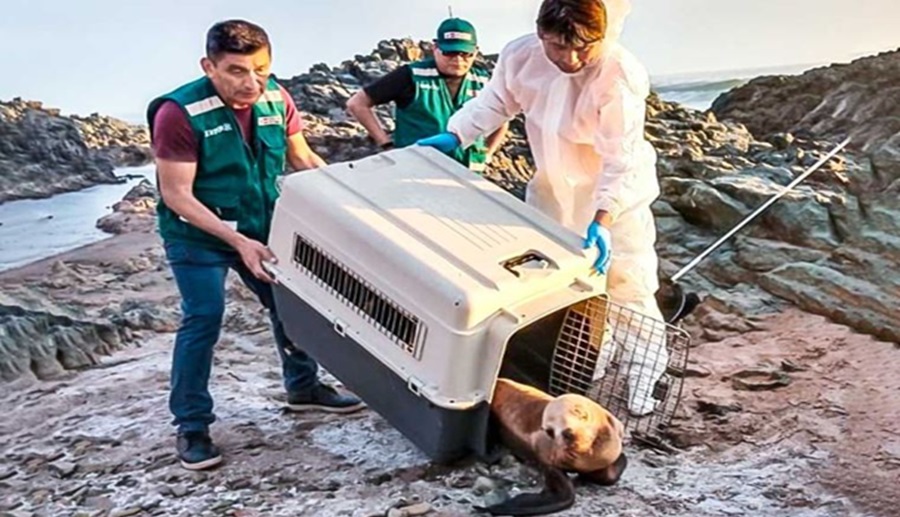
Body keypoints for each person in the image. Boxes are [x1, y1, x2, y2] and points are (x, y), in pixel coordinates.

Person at [418, 0, 667, 417]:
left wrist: (604, 218)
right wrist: (455, 134)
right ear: (540, 34)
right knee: (564, 284)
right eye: (556, 46)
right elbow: (495, 102)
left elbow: (620, 159)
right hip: (551, 189)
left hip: (615, 197)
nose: (569, 59)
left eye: (583, 47)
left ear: (601, 36)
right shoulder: (521, 56)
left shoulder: (618, 73)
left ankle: (646, 374)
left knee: (629, 282)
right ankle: (594, 355)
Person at [147, 19, 364, 471]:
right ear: (209, 66)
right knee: (204, 318)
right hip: (198, 234)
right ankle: (192, 426)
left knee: (291, 303)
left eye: (261, 69)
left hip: (262, 222)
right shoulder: (178, 113)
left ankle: (303, 388)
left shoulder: (275, 96)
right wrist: (237, 242)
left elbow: (301, 157)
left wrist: (348, 200)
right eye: (237, 71)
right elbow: (177, 195)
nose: (251, 83)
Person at [346, 17, 508, 173]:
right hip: (416, 171)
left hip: (468, 175)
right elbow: (357, 103)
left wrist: (487, 154)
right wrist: (386, 144)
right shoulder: (411, 75)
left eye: (465, 53)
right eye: (449, 53)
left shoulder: (484, 80)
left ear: (475, 51)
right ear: (435, 48)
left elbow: (502, 117)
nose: (458, 60)